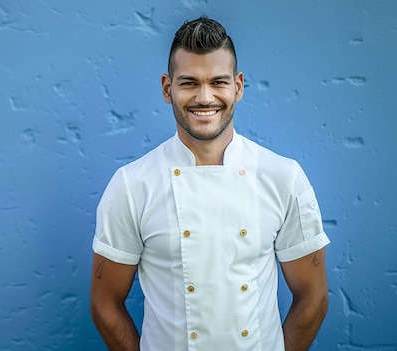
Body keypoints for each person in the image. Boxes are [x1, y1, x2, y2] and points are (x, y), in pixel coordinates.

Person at [90, 15, 330, 351]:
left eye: (218, 82)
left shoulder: (283, 177)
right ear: (166, 88)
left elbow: (313, 298)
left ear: (238, 86)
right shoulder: (132, 186)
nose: (205, 97)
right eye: (189, 83)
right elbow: (105, 304)